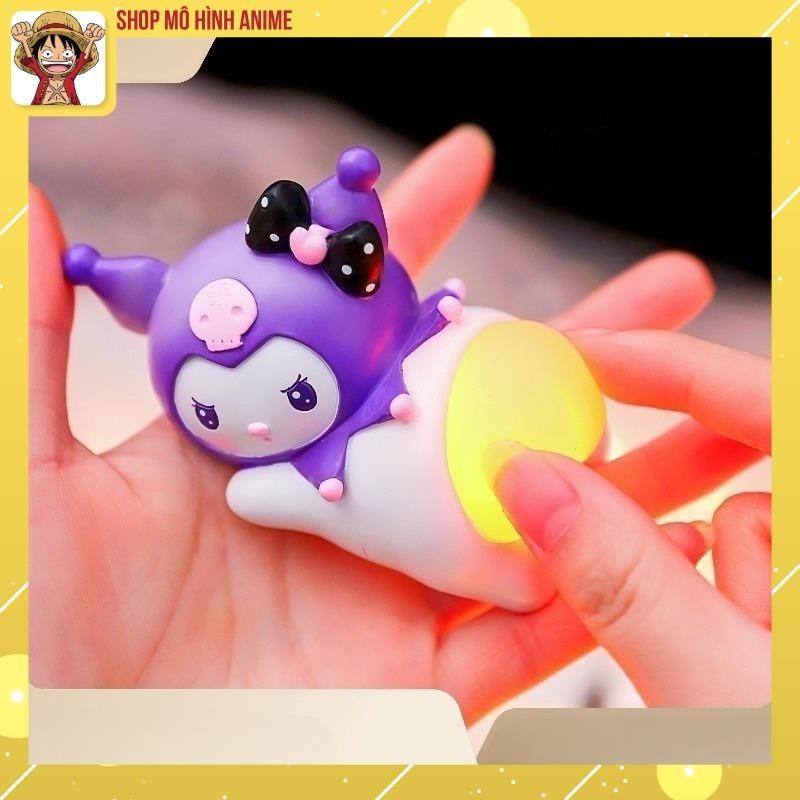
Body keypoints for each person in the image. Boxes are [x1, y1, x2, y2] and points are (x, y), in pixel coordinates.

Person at [29, 126, 769, 720]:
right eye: (211, 413)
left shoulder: (430, 357)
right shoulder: (304, 485)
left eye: (296, 394)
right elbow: (261, 495)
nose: (253, 431)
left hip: (506, 403)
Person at [11, 12, 104, 106]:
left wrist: (91, 41)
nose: (58, 58)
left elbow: (82, 60)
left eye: (67, 53)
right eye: (47, 54)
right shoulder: (43, 77)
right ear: (37, 58)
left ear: (75, 57)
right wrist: (23, 41)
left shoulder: (70, 77)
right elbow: (30, 60)